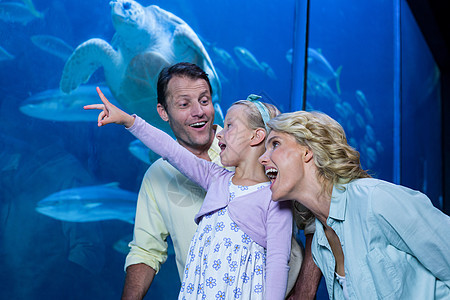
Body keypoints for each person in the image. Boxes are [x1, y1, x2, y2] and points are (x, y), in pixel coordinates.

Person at [86, 81, 307, 299]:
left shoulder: (275, 198)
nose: (219, 133)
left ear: (256, 136)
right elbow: (171, 151)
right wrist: (128, 121)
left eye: (229, 126)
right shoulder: (216, 178)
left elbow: (278, 263)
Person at [259, 110, 450, 299]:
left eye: (275, 144)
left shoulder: (375, 200)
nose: (262, 158)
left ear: (307, 151)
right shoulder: (320, 244)